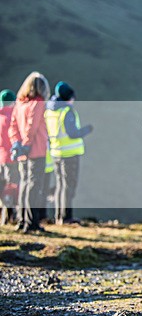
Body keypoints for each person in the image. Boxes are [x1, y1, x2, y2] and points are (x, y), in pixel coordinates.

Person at [45, 81, 93, 225]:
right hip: (69, 154)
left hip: (56, 152)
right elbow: (72, 133)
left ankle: (59, 215)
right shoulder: (67, 111)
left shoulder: (50, 111)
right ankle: (66, 217)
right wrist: (87, 130)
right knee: (68, 186)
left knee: (60, 185)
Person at [9, 72, 50, 233]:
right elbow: (31, 127)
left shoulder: (19, 104)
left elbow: (13, 126)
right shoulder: (38, 103)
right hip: (36, 149)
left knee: (24, 183)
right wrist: (26, 144)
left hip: (22, 151)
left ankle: (22, 219)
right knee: (34, 185)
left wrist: (17, 144)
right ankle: (32, 222)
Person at [0, 89, 18, 225]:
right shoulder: (14, 116)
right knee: (12, 187)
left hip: (1, 157)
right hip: (12, 158)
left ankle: (3, 218)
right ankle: (10, 218)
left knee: (2, 187)